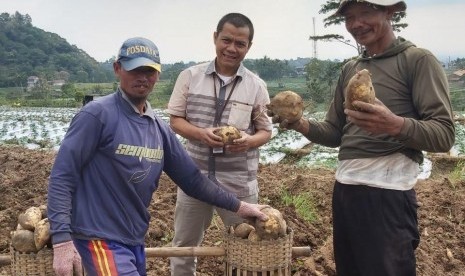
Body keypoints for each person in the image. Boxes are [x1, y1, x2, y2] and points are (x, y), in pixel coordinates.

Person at [47, 37, 268, 276]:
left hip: (133, 240)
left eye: (149, 71)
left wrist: (241, 206)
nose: (142, 77)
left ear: (158, 75)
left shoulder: (158, 128)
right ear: (118, 69)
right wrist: (62, 241)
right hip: (98, 239)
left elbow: (193, 181)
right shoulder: (97, 115)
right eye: (135, 69)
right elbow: (62, 176)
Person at [273, 1, 456, 275]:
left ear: (390, 12)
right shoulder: (351, 69)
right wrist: (299, 123)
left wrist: (394, 125)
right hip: (346, 189)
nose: (356, 24)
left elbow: (444, 134)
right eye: (349, 17)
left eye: (366, 13)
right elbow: (335, 132)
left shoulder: (417, 60)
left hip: (388, 193)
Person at [166, 13, 273, 275]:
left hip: (239, 184)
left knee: (246, 248)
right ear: (215, 38)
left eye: (240, 44)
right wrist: (201, 134)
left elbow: (266, 131)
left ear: (249, 47)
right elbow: (175, 120)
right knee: (183, 247)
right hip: (194, 179)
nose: (232, 49)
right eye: (226, 40)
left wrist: (248, 142)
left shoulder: (256, 86)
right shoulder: (190, 76)